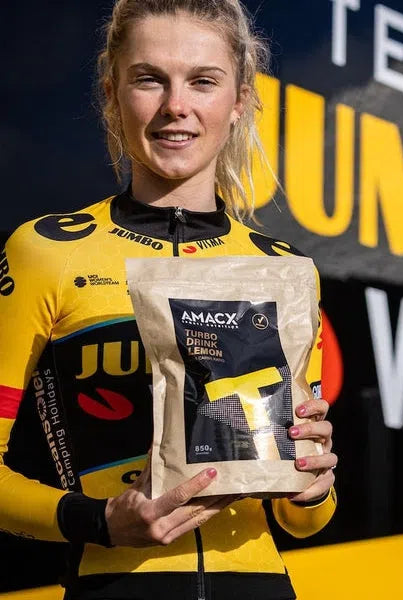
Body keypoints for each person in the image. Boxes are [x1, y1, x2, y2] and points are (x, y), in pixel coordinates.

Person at [0, 1, 337, 598]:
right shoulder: (47, 252)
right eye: (149, 79)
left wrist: (314, 485)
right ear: (113, 94)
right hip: (112, 583)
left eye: (203, 81)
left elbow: (301, 520)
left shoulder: (285, 271)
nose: (175, 106)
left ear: (240, 101)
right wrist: (99, 521)